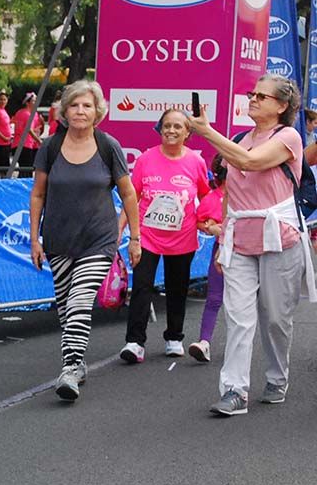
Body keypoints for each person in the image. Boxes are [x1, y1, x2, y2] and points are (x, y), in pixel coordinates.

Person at [189, 74, 316, 416]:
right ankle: (234, 390)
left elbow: (251, 163)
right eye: (252, 93)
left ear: (282, 106)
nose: (254, 99)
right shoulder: (241, 139)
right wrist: (223, 237)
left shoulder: (288, 136)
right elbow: (231, 190)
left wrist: (206, 132)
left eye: (263, 96)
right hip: (240, 239)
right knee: (239, 318)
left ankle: (277, 378)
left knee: (275, 318)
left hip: (280, 238)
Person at [28, 80, 141, 401]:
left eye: (87, 106)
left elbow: (128, 193)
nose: (80, 111)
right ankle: (77, 363)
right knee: (65, 308)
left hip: (99, 239)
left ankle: (70, 367)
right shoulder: (50, 147)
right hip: (58, 239)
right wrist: (34, 239)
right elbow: (38, 194)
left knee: (79, 300)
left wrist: (135, 237)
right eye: (74, 105)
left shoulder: (108, 146)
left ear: (97, 112)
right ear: (64, 111)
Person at [119, 109, 210, 363]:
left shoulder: (196, 162)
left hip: (182, 237)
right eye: (166, 125)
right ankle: (135, 342)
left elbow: (205, 196)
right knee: (141, 286)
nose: (171, 130)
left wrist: (209, 220)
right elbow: (132, 196)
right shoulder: (146, 159)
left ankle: (174, 336)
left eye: (177, 127)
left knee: (177, 287)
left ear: (187, 132)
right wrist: (121, 230)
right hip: (147, 235)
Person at [187, 154, 227, 363]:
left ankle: (240, 346)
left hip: (250, 253)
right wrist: (212, 228)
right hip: (221, 253)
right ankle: (204, 342)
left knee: (245, 303)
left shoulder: (251, 195)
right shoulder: (213, 197)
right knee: (214, 298)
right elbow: (200, 221)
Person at [11, 92, 44, 177]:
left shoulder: (20, 112)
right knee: (27, 170)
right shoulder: (28, 114)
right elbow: (29, 129)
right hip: (25, 145)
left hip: (18, 144)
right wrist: (39, 141)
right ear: (27, 103)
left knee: (24, 169)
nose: (36, 102)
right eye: (34, 101)